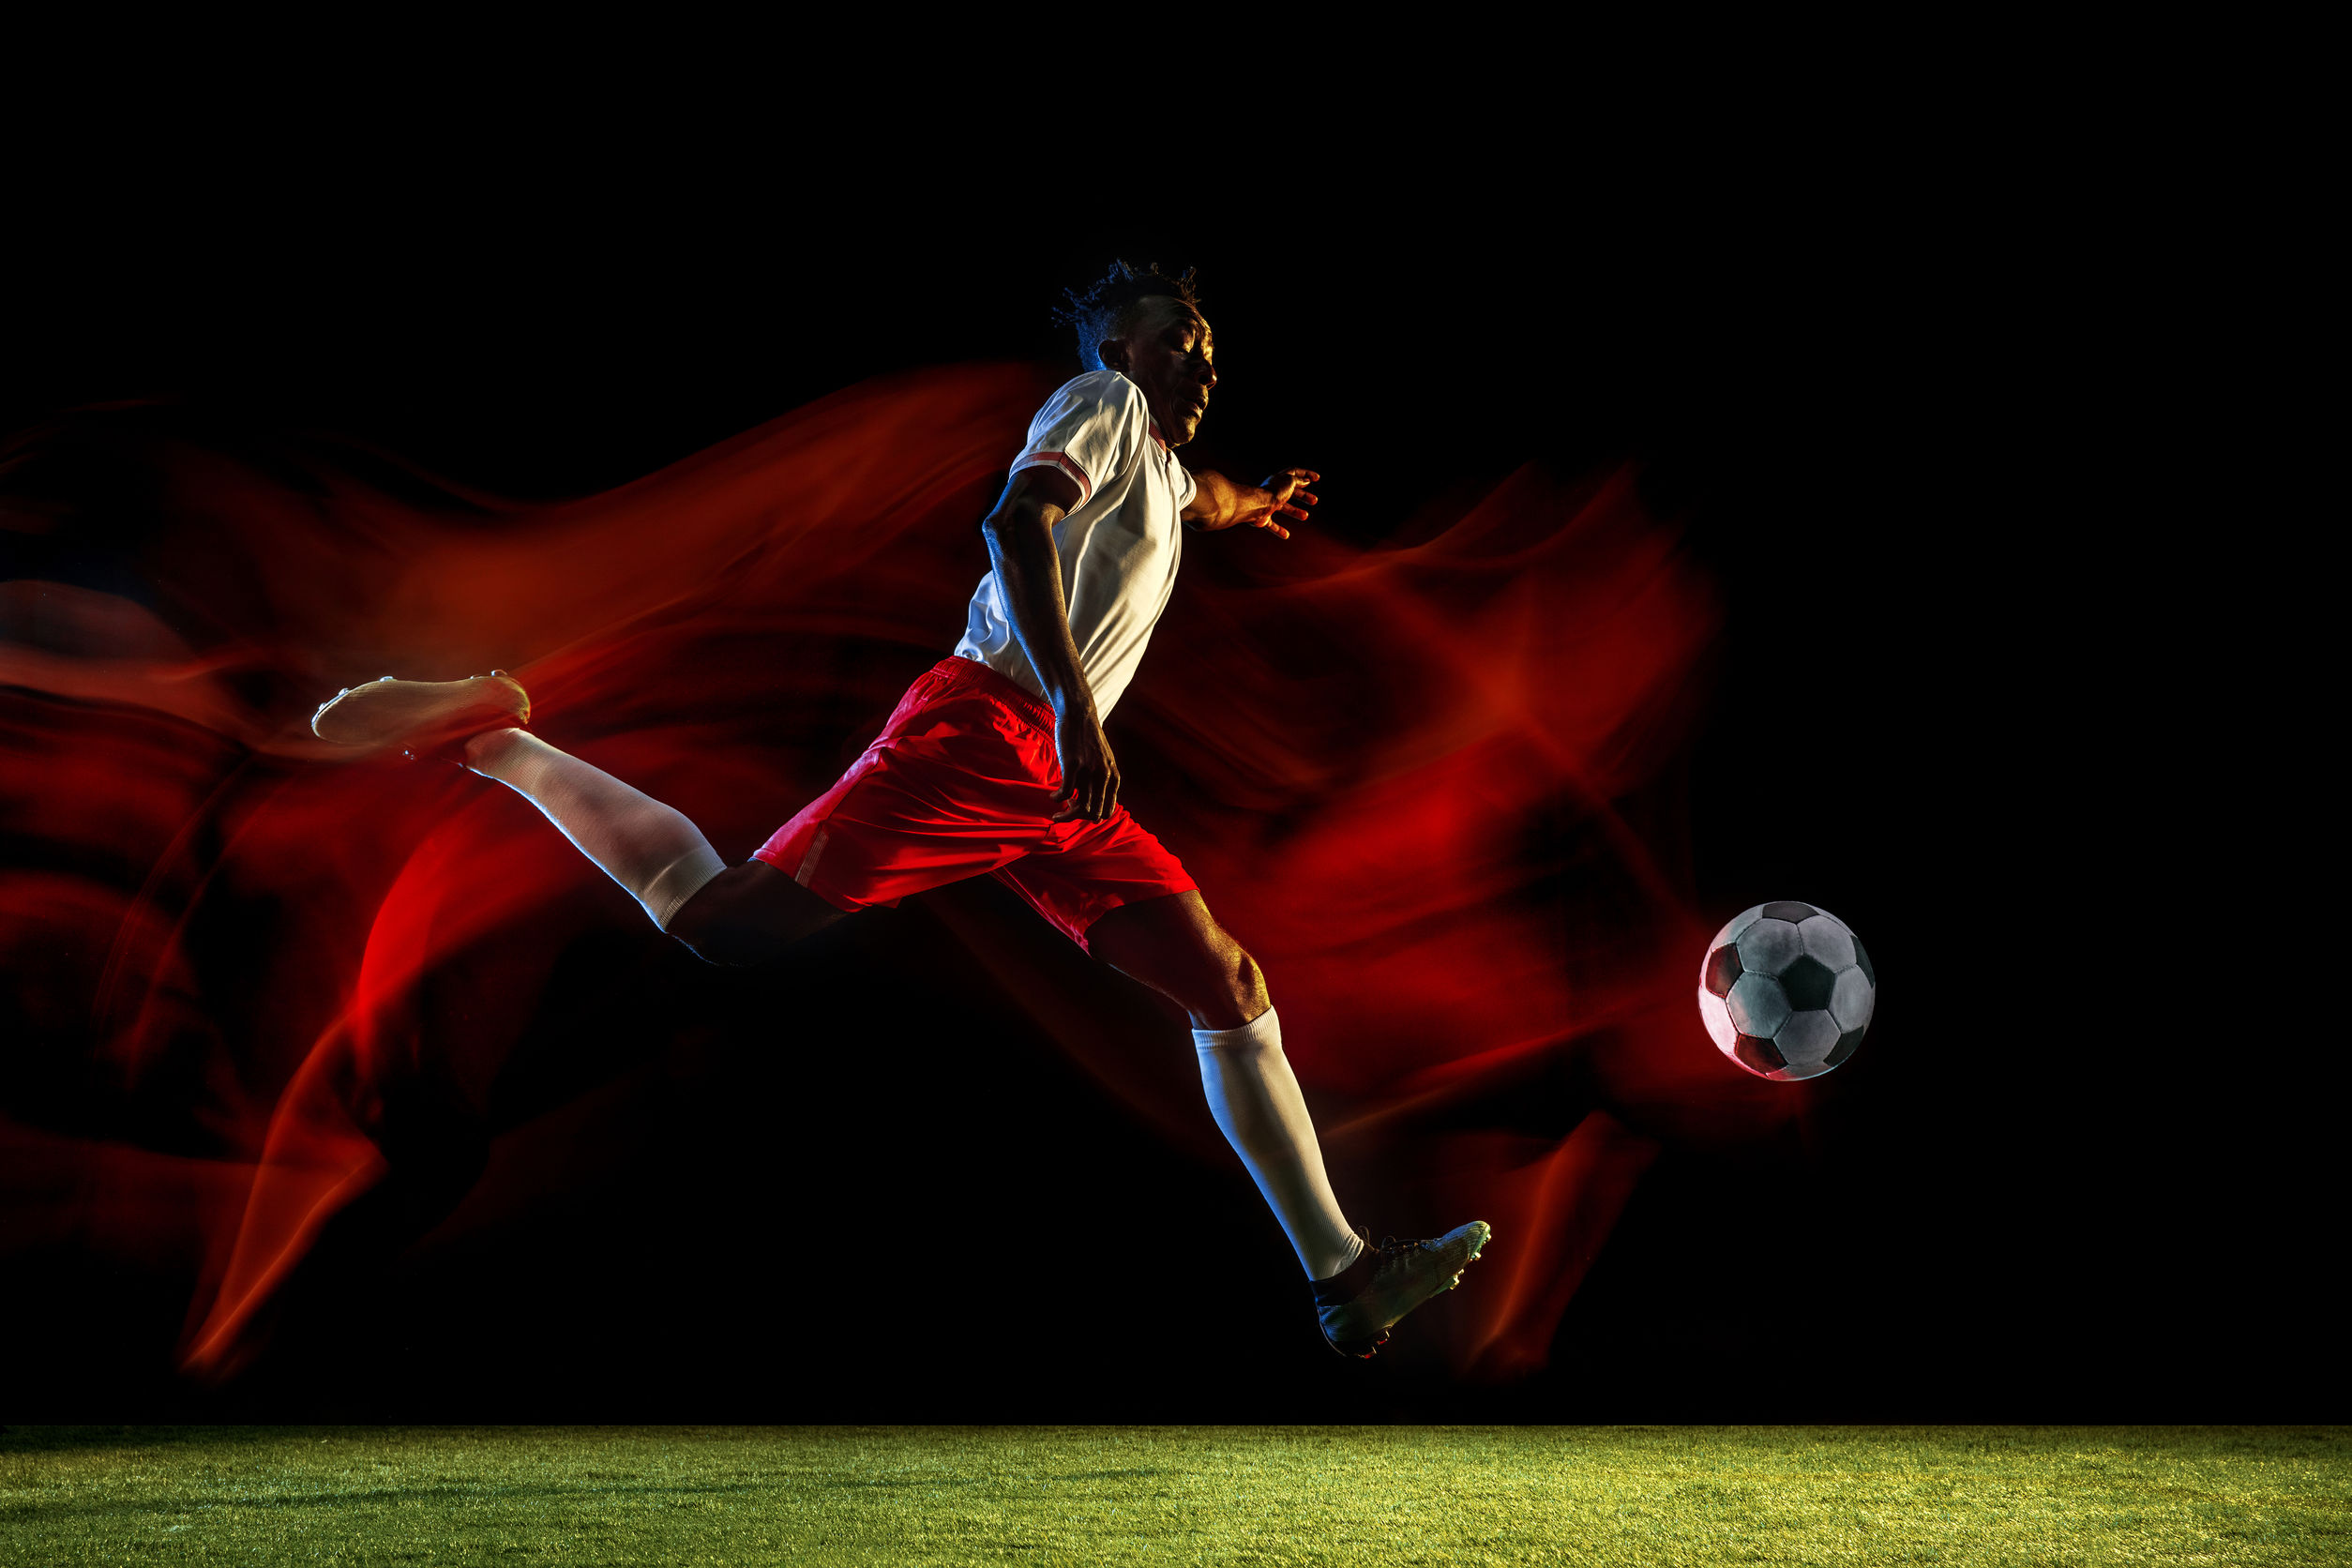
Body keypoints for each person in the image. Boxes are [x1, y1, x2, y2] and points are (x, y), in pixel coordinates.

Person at [310, 262, 1488, 1358]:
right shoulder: (1101, 403)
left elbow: (1208, 500)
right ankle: (496, 739)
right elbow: (1015, 523)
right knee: (720, 923)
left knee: (1226, 985)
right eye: (1187, 338)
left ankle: (1343, 1275)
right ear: (1121, 341)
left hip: (1057, 789)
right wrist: (1077, 710)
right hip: (990, 732)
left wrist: (1259, 496)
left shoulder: (1165, 472)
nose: (1206, 363)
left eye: (1215, 349)